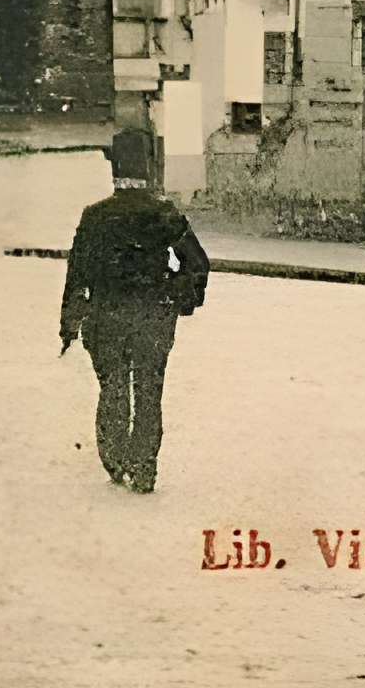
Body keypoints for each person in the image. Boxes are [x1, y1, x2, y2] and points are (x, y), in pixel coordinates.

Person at [58, 129, 210, 493]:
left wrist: (70, 323)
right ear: (148, 167)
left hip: (106, 316)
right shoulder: (162, 213)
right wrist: (178, 295)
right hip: (152, 318)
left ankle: (115, 461)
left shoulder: (95, 217)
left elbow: (77, 273)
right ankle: (143, 468)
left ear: (115, 170)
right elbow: (198, 263)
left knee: (112, 390)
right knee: (148, 392)